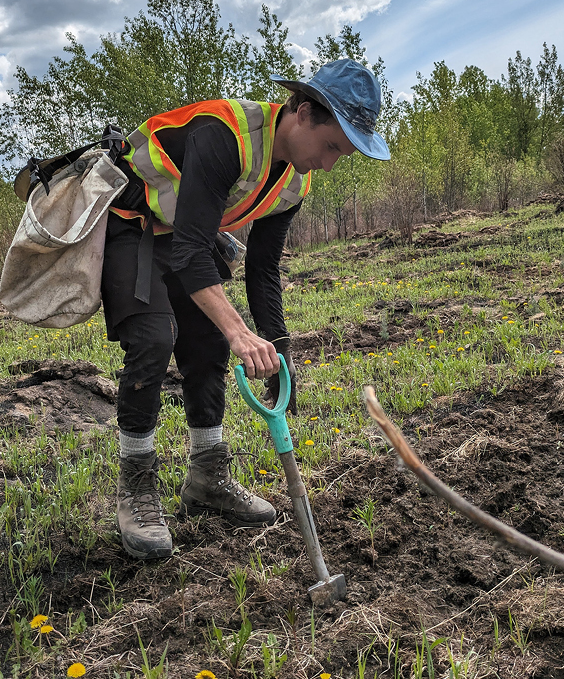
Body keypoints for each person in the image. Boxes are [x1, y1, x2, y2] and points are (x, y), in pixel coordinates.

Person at [102, 58, 391, 560]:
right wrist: (242, 333)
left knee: (209, 340)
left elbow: (262, 270)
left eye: (340, 156)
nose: (328, 164)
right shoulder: (225, 135)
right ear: (302, 112)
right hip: (132, 221)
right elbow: (193, 251)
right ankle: (137, 489)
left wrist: (280, 354)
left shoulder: (295, 183)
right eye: (329, 147)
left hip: (186, 233)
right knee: (154, 338)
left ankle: (208, 477)